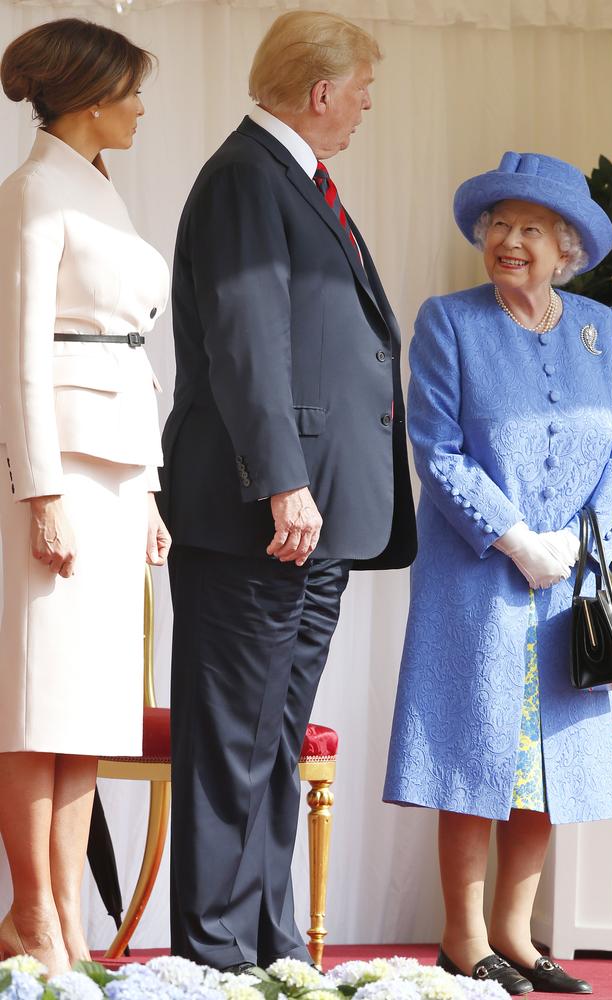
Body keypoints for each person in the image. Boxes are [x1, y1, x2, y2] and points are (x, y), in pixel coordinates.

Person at [160, 9, 416, 971]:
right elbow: (247, 345)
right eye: (359, 92)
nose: (362, 109)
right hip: (261, 516)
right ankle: (214, 962)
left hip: (318, 524)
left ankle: (266, 954)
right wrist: (283, 485)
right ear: (320, 93)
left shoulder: (294, 178)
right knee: (233, 748)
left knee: (271, 744)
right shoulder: (242, 180)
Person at [383, 152, 612, 995]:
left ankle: (516, 934)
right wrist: (514, 538)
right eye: (498, 225)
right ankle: (463, 938)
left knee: (547, 763)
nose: (508, 240)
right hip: (475, 576)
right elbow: (438, 448)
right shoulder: (449, 322)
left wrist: (582, 539)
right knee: (473, 754)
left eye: (529, 228)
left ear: (564, 246)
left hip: (569, 583)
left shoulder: (600, 329)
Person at [0, 18, 171, 976]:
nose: (143, 106)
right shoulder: (30, 194)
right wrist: (40, 492)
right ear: (93, 96)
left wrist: (146, 492)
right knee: (36, 704)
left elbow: (130, 357)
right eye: (134, 90)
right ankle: (35, 915)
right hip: (54, 476)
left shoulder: (101, 192)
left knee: (89, 711)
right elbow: (19, 359)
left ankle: (68, 919)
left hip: (114, 474)